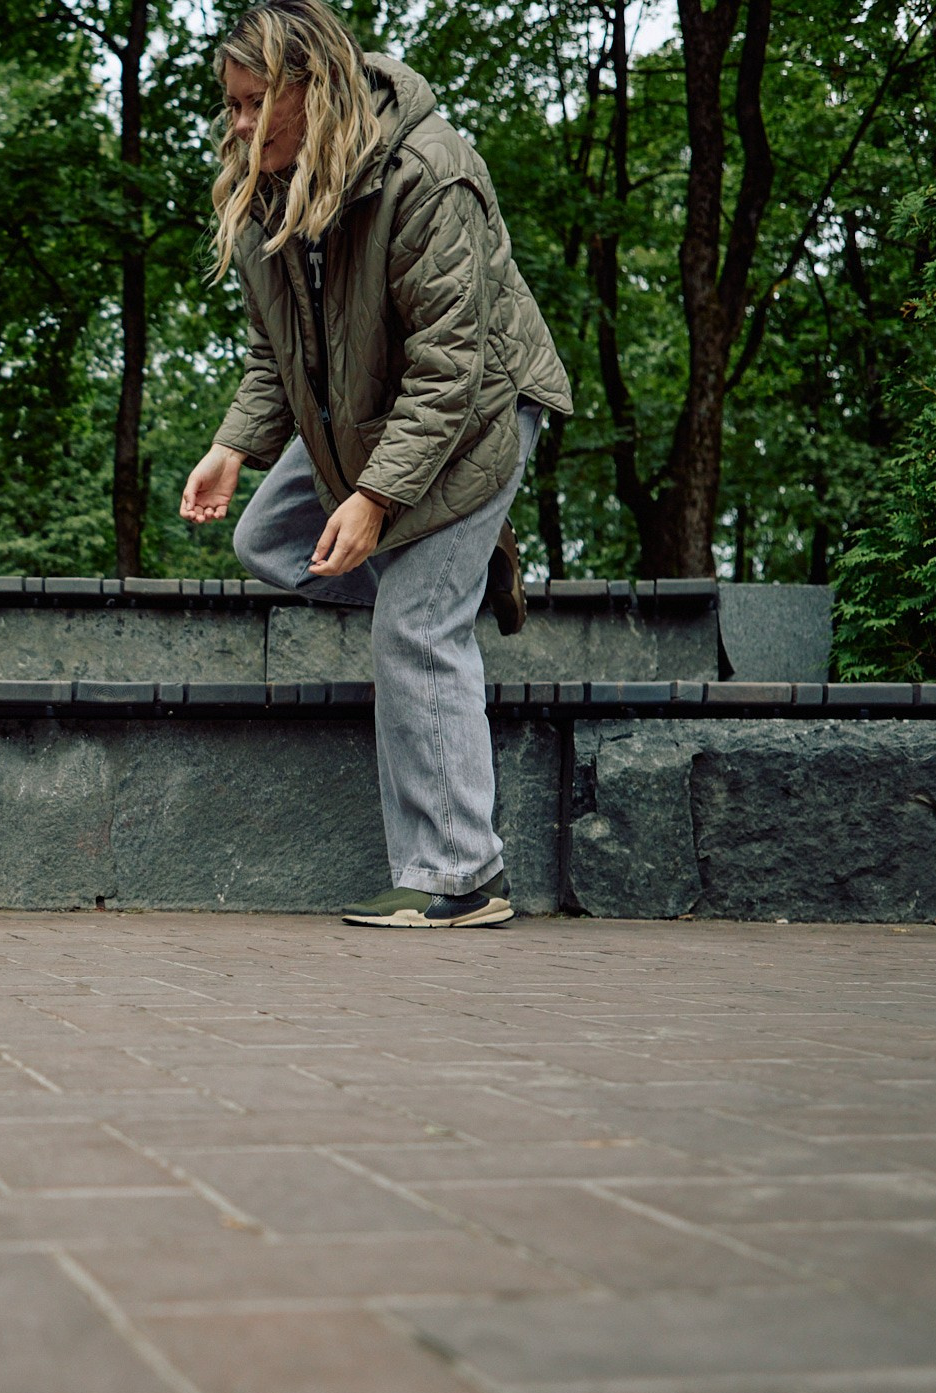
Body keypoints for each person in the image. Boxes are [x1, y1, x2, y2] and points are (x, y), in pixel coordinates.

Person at [179, 0, 573, 928]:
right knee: (270, 542)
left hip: (475, 412)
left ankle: (460, 874)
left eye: (250, 103)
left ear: (312, 88)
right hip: (360, 418)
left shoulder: (431, 175)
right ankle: (459, 575)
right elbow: (279, 356)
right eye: (228, 105)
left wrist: (375, 497)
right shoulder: (266, 185)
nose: (234, 125)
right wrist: (233, 445)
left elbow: (452, 368)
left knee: (413, 624)